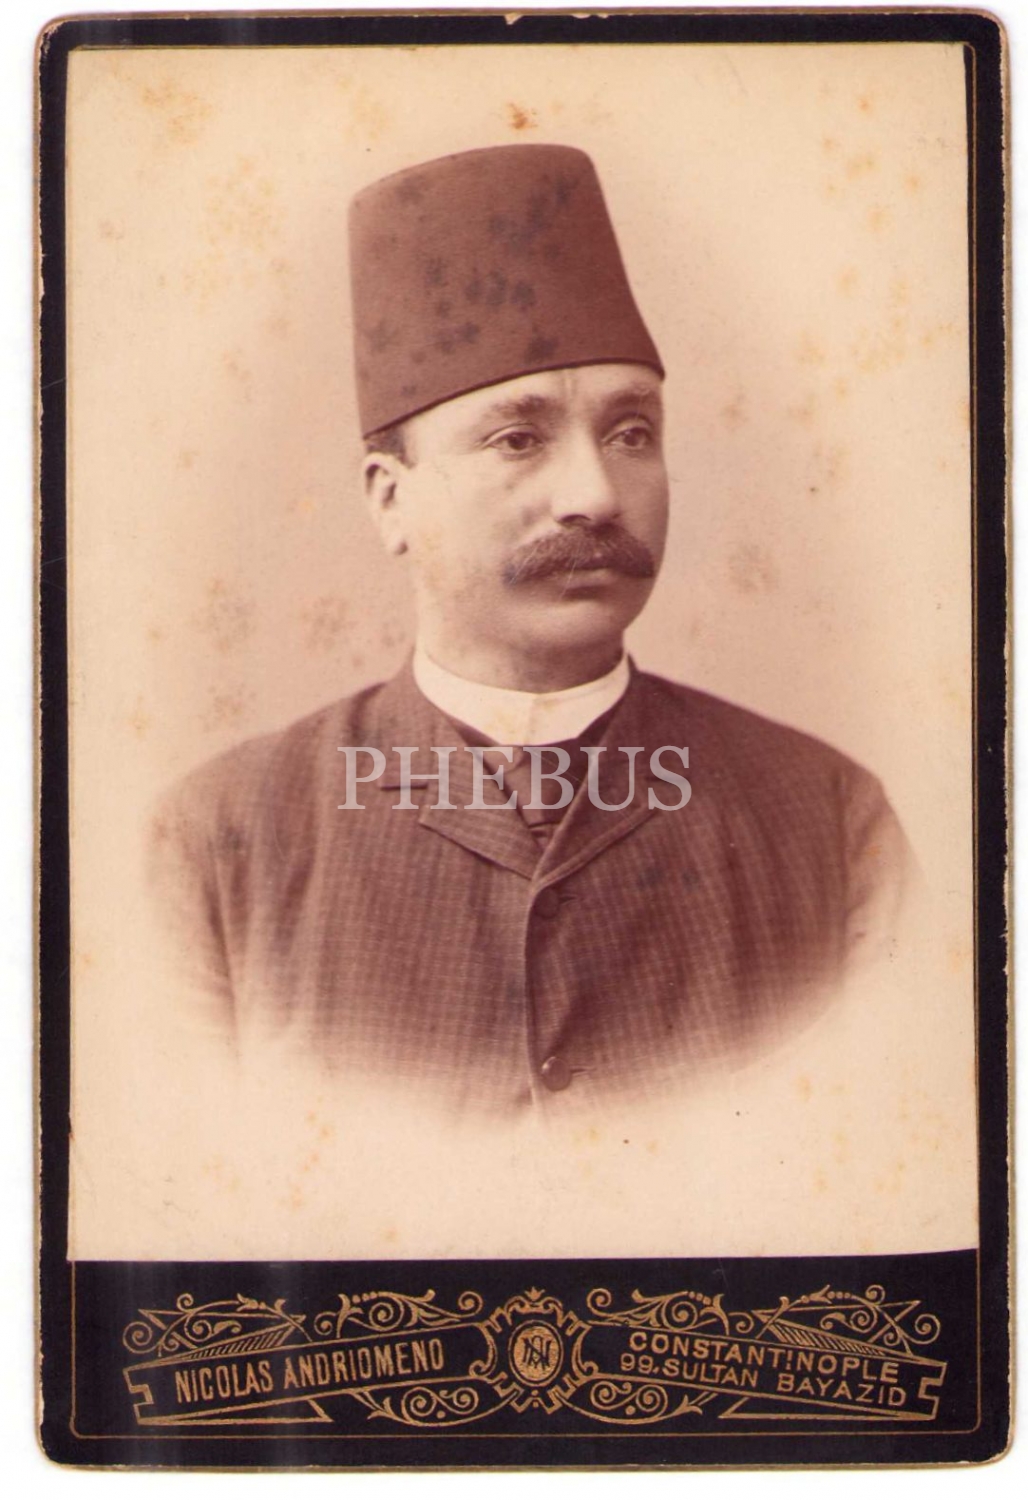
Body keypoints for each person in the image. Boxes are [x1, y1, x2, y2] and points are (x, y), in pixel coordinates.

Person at [150, 143, 909, 1115]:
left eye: (630, 433)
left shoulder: (832, 823)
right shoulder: (217, 844)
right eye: (517, 439)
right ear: (390, 500)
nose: (596, 494)